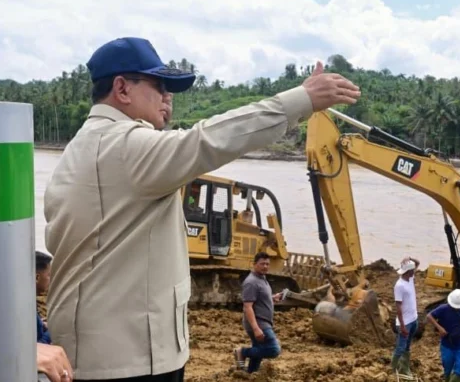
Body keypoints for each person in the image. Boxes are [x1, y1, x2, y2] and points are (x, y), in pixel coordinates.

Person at [43, 36, 360, 382]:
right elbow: (209, 139)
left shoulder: (80, 149)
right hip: (132, 362)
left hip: (92, 353)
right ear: (121, 88)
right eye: (159, 86)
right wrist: (301, 100)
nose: (168, 97)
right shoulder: (126, 146)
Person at [233, 252, 284, 373]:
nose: (265, 266)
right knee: (273, 349)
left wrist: (272, 298)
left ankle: (250, 374)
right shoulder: (251, 282)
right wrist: (256, 328)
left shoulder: (262, 279)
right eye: (262, 264)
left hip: (263, 322)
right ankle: (242, 352)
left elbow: (258, 299)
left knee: (259, 349)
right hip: (259, 323)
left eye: (267, 264)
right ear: (254, 264)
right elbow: (247, 307)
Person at [426, 289, 460, 382]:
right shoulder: (443, 308)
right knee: (447, 370)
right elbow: (429, 316)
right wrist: (439, 327)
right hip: (446, 345)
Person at [391, 256, 420, 375]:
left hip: (413, 319)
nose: (414, 271)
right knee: (400, 347)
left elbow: (418, 263)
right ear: (408, 271)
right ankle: (393, 369)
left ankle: (404, 367)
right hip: (405, 322)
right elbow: (398, 307)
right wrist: (402, 326)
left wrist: (409, 257)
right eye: (412, 270)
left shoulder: (410, 278)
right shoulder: (399, 285)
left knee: (407, 346)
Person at [36, 249, 53, 344]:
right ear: (36, 277)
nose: (51, 280)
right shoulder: (27, 309)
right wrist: (52, 329)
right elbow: (38, 346)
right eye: (49, 275)